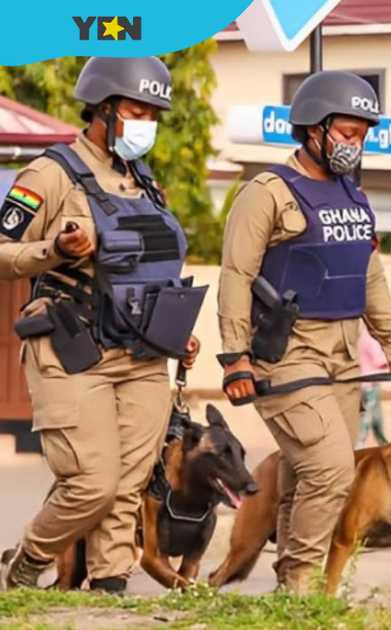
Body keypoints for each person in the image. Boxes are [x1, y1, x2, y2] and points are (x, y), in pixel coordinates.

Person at [0, 57, 202, 592]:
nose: (147, 123)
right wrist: (54, 249)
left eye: (154, 113)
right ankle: (26, 564)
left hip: (142, 353)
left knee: (129, 486)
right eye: (137, 110)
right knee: (91, 482)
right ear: (103, 108)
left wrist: (175, 326)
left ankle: (111, 587)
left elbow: (150, 265)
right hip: (74, 348)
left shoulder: (144, 180)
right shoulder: (51, 173)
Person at [217, 70, 391, 593]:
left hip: (345, 353)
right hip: (288, 351)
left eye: (362, 135)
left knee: (300, 474)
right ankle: (303, 581)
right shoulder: (267, 193)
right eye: (347, 133)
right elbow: (236, 277)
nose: (356, 144)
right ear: (313, 129)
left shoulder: (355, 196)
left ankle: (288, 592)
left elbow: (370, 277)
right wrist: (235, 357)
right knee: (331, 469)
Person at [356, 328, 390, 447]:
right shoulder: (371, 339)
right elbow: (379, 360)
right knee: (367, 417)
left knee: (376, 418)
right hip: (370, 384)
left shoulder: (362, 337)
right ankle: (358, 446)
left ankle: (383, 444)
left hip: (364, 382)